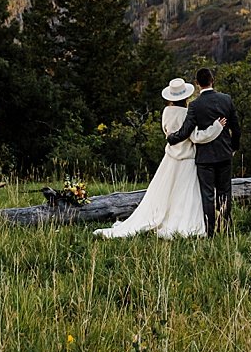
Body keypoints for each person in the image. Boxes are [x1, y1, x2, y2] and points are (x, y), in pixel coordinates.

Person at [95, 78, 224, 239]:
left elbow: (167, 132)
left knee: (165, 193)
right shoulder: (187, 114)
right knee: (184, 195)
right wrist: (216, 128)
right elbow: (196, 137)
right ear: (186, 96)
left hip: (170, 159)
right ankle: (181, 223)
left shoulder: (166, 112)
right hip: (187, 160)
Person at [167, 66, 240, 235]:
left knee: (207, 194)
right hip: (224, 153)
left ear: (197, 83)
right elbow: (236, 129)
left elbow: (185, 131)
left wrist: (171, 138)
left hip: (205, 158)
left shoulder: (195, 105)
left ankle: (210, 230)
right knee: (224, 192)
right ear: (212, 80)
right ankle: (226, 228)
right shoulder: (226, 99)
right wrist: (234, 147)